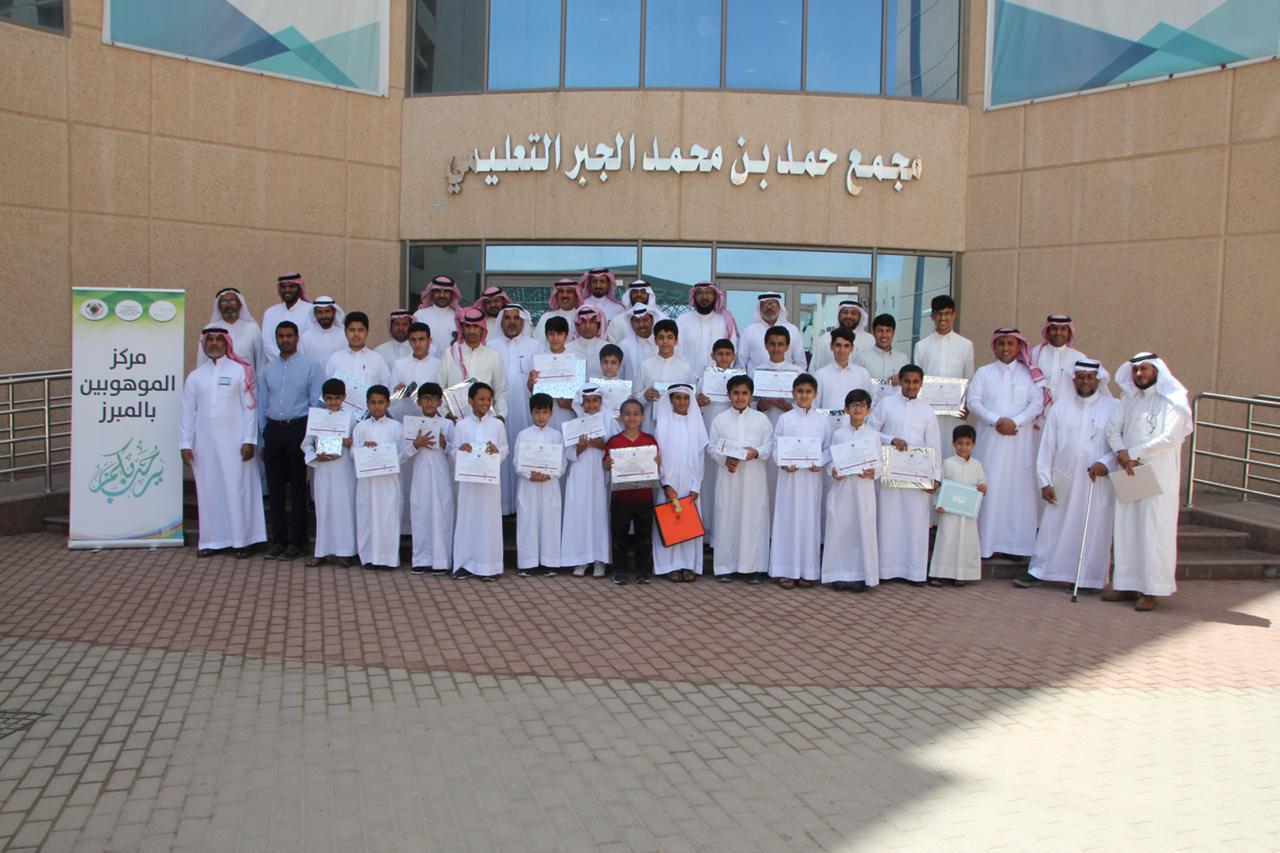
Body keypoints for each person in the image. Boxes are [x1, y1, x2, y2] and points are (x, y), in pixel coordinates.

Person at [1018, 360, 1118, 591]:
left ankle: (1088, 579)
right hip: (1063, 478)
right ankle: (1040, 571)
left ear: (1098, 379)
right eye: (1080, 377)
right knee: (1053, 525)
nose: (1084, 381)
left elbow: (1118, 446)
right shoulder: (1060, 408)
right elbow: (1046, 448)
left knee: (1093, 528)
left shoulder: (1113, 407)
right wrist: (1044, 481)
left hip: (1096, 481)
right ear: (1074, 379)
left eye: (1089, 377)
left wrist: (1105, 463)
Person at [1103, 353, 1192, 612]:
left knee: (1152, 530)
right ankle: (1127, 584)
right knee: (1127, 528)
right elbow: (1113, 429)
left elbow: (1170, 438)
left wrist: (1132, 453)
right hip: (1131, 472)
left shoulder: (1172, 400)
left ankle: (1150, 590)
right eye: (1136, 370)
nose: (1139, 374)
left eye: (1144, 369)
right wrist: (1122, 453)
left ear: (1157, 371)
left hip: (1158, 476)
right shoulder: (1128, 399)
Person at [180, 327, 267, 558]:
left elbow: (250, 409)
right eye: (210, 339)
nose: (215, 343)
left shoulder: (240, 371)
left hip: (236, 444)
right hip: (205, 445)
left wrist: (249, 440)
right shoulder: (195, 376)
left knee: (237, 489)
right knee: (208, 491)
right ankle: (211, 540)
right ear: (204, 343)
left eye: (219, 339)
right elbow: (188, 412)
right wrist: (185, 444)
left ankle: (242, 541)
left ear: (227, 342)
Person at [969, 328, 1043, 559]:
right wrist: (996, 420)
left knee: (1017, 491)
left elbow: (1037, 403)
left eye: (1010, 343)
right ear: (995, 346)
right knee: (989, 488)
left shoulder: (1028, 374)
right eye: (1001, 344)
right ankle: (986, 545)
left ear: (1018, 346)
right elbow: (973, 402)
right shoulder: (984, 372)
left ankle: (1016, 547)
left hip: (1019, 444)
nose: (1006, 348)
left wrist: (1016, 422)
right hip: (990, 442)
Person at [868, 364, 943, 585]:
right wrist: (891, 439)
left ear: (921, 384)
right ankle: (886, 569)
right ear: (900, 381)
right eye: (907, 381)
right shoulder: (886, 404)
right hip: (891, 474)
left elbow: (935, 445)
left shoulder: (927, 410)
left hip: (918, 477)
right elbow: (871, 430)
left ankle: (915, 572)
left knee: (916, 523)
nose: (911, 386)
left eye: (915, 382)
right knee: (889, 520)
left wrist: (935, 476)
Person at [257, 320, 323, 560]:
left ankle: (297, 542)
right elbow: (262, 404)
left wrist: (311, 436)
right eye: (281, 336)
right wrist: (264, 436)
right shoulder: (268, 369)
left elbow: (316, 402)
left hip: (299, 429)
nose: (285, 340)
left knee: (297, 489)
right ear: (276, 339)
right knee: (274, 490)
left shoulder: (310, 367)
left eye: (289, 336)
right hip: (274, 430)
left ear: (297, 338)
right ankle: (278, 541)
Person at [707, 374, 773, 584]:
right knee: (728, 518)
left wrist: (756, 452)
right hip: (729, 478)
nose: (740, 397)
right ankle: (726, 567)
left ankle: (754, 567)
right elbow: (712, 447)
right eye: (735, 393)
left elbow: (769, 446)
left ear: (751, 395)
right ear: (729, 395)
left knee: (754, 520)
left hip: (754, 479)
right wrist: (724, 459)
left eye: (744, 393)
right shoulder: (720, 420)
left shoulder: (762, 420)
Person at [769, 373, 829, 589]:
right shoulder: (785, 419)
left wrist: (819, 462)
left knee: (808, 522)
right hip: (790, 479)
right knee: (788, 521)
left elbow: (827, 449)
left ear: (815, 394)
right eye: (800, 391)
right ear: (793, 393)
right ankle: (786, 570)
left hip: (811, 479)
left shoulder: (822, 420)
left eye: (808, 392)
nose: (804, 395)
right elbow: (776, 446)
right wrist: (783, 463)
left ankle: (807, 571)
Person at [821, 389, 881, 591]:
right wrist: (834, 471)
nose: (858, 409)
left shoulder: (873, 435)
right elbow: (830, 460)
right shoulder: (838, 434)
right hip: (842, 489)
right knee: (841, 530)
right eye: (854, 405)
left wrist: (873, 471)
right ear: (846, 409)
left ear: (868, 410)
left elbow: (880, 464)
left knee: (862, 530)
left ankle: (861, 575)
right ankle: (839, 574)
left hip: (863, 490)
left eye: (862, 405)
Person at [450, 382, 508, 580]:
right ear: (470, 401)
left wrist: (496, 451)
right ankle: (464, 563)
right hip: (468, 484)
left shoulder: (498, 425)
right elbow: (452, 450)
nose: (485, 402)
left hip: (489, 483)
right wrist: (461, 450)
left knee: (488, 521)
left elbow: (504, 449)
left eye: (488, 399)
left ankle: (488, 567)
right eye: (481, 398)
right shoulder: (461, 425)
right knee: (467, 520)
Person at [652, 383, 707, 583]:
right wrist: (665, 483)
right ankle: (669, 566)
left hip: (690, 484)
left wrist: (696, 485)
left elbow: (700, 458)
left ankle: (689, 565)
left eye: (685, 398)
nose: (682, 402)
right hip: (669, 485)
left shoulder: (696, 424)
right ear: (670, 400)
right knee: (669, 522)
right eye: (677, 398)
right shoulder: (663, 424)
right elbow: (657, 457)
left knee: (688, 523)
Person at [560, 385, 616, 577]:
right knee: (579, 515)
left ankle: (600, 560)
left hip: (599, 475)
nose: (591, 404)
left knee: (598, 515)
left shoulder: (609, 421)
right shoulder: (575, 422)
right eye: (587, 400)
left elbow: (616, 447)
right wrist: (580, 448)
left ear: (601, 402)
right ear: (581, 403)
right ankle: (581, 559)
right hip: (579, 474)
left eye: (595, 400)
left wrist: (603, 445)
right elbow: (567, 453)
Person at [490, 303, 540, 515]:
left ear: (523, 322)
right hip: (497, 410)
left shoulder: (535, 346)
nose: (511, 321)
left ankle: (523, 506)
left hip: (525, 409)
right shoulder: (491, 346)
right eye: (507, 317)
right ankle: (502, 506)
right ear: (501, 321)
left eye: (516, 318)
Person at [302, 378, 357, 569]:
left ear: (344, 398)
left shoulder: (351, 418)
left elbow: (358, 443)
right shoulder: (316, 417)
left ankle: (345, 552)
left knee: (344, 509)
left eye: (337, 398)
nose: (333, 402)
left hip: (344, 471)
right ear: (323, 398)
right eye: (329, 398)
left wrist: (350, 443)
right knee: (323, 509)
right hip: (323, 470)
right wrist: (316, 456)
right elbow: (306, 444)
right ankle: (321, 552)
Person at [401, 383, 454, 575]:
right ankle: (421, 559)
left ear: (440, 402)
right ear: (419, 401)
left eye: (433, 399)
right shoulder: (412, 425)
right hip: (420, 477)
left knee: (441, 515)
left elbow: (456, 454)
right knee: (421, 515)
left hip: (441, 478)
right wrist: (415, 444)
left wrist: (444, 444)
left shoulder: (447, 425)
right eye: (425, 399)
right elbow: (402, 456)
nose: (429, 403)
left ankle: (441, 560)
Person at [604, 399, 658, 586]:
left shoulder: (650, 441)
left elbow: (656, 463)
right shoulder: (614, 441)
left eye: (636, 414)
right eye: (627, 413)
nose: (631, 417)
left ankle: (643, 571)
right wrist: (607, 464)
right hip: (621, 497)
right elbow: (605, 464)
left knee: (644, 536)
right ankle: (620, 571)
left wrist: (656, 462)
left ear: (642, 417)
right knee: (620, 536)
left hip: (644, 497)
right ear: (621, 417)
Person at [913, 295, 974, 458]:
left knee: (952, 449)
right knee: (929, 448)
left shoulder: (965, 345)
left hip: (955, 412)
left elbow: (969, 377)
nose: (943, 318)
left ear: (953, 315)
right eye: (939, 314)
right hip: (927, 409)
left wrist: (966, 405)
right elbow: (917, 380)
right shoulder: (922, 346)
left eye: (947, 314)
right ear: (932, 316)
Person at [929, 425, 987, 586]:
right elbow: (939, 485)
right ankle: (938, 574)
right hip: (949, 511)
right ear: (954, 444)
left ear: (973, 444)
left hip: (967, 513)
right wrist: (938, 503)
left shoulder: (977, 465)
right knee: (947, 540)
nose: (963, 447)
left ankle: (961, 574)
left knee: (965, 542)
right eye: (960, 443)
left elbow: (982, 482)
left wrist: (983, 487)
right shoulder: (948, 463)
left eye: (967, 443)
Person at [351, 385, 402, 570]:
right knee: (367, 517)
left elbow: (403, 454)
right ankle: (369, 557)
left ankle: (388, 559)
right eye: (373, 402)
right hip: (367, 482)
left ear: (388, 403)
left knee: (388, 518)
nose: (377, 406)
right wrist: (363, 449)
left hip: (388, 482)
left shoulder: (397, 427)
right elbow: (352, 453)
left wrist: (389, 457)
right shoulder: (360, 427)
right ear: (367, 404)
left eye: (381, 402)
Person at [513, 393, 564, 577]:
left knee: (549, 522)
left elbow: (562, 463)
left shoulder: (556, 436)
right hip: (529, 486)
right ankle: (528, 563)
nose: (540, 416)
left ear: (551, 413)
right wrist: (529, 474)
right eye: (537, 412)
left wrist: (549, 475)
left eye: (544, 412)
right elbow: (517, 462)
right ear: (531, 412)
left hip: (549, 486)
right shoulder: (523, 435)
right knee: (528, 521)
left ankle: (550, 562)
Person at [753, 326, 804, 503]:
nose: (776, 348)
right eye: (772, 344)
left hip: (788, 432)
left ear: (787, 346)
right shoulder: (755, 372)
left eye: (780, 344)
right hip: (761, 431)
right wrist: (760, 404)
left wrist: (790, 408)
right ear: (766, 345)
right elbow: (746, 403)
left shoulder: (797, 373)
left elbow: (806, 406)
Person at [696, 338, 737, 542]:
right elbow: (696, 407)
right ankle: (706, 533)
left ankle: (723, 533)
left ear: (734, 357)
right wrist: (699, 402)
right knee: (708, 482)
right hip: (709, 429)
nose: (723, 358)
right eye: (719, 354)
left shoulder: (739, 379)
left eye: (727, 354)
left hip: (731, 433)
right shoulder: (704, 379)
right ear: (712, 356)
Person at [439, 306, 510, 419]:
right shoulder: (450, 353)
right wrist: (446, 413)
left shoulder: (492, 355)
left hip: (486, 420)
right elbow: (439, 388)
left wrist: (501, 415)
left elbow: (500, 391)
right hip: (455, 420)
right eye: (467, 326)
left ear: (482, 329)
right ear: (462, 328)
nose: (471, 331)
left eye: (476, 326)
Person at [634, 319, 696, 430]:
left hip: (678, 426)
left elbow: (692, 398)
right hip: (650, 425)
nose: (665, 342)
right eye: (661, 337)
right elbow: (634, 397)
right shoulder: (645, 365)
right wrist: (645, 396)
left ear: (676, 341)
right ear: (656, 341)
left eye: (670, 337)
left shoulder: (685, 368)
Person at [325, 311, 390, 406]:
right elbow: (327, 389)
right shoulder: (335, 359)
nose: (356, 334)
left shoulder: (377, 359)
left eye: (360, 330)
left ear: (367, 332)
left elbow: (386, 387)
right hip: (341, 416)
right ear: (345, 332)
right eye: (352, 330)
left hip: (370, 416)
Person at [528, 315, 578, 432]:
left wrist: (571, 404)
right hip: (544, 414)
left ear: (566, 335)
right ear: (546, 336)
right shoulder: (538, 358)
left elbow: (580, 391)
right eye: (551, 334)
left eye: (559, 334)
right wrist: (530, 382)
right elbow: (531, 389)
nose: (555, 338)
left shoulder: (575, 359)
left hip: (567, 412)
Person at [676, 281, 738, 376]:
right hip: (687, 379)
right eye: (699, 293)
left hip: (717, 379)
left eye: (708, 293)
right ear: (694, 296)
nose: (704, 297)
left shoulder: (725, 320)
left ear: (715, 296)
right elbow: (677, 350)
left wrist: (721, 374)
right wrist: (688, 374)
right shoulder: (682, 320)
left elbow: (732, 350)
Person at [1030, 314, 1087, 415]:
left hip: (1067, 414)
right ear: (1047, 331)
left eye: (1063, 329)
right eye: (1054, 328)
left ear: (1069, 332)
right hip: (1039, 415)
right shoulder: (1035, 354)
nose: (1058, 333)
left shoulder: (1079, 358)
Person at [199, 287, 263, 374]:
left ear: (240, 304)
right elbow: (202, 362)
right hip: (217, 385)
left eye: (233, 301)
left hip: (248, 384)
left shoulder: (253, 328)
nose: (228, 305)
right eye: (224, 301)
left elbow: (260, 362)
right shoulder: (209, 330)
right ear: (218, 305)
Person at [740, 293, 806, 374]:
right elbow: (741, 361)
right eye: (765, 304)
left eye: (773, 304)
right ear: (760, 308)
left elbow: (800, 362)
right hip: (756, 380)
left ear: (779, 307)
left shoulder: (792, 330)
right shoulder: (749, 331)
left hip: (787, 382)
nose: (769, 307)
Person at [814, 328, 874, 413]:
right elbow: (815, 405)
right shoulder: (820, 375)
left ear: (852, 348)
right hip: (826, 425)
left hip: (853, 425)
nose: (842, 350)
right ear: (831, 346)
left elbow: (868, 404)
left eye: (846, 346)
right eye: (838, 345)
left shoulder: (863, 374)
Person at [390, 323, 442, 418]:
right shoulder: (399, 364)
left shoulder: (439, 365)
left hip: (432, 420)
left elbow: (443, 396)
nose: (417, 344)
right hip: (404, 418)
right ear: (409, 342)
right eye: (413, 340)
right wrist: (397, 391)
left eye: (421, 339)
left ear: (429, 341)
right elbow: (392, 399)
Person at [856, 313, 910, 403]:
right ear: (873, 332)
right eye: (880, 331)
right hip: (870, 411)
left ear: (893, 333)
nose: (884, 335)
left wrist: (901, 380)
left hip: (895, 408)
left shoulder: (903, 359)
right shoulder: (862, 358)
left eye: (888, 331)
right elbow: (857, 387)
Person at [261, 272, 314, 362]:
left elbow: (311, 341)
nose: (287, 290)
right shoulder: (270, 313)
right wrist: (283, 358)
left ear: (299, 288)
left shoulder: (310, 310)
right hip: (277, 364)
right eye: (283, 287)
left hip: (303, 365)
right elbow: (267, 342)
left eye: (291, 286)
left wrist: (296, 360)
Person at [810, 300, 872, 372]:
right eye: (845, 312)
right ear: (839, 315)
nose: (849, 316)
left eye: (853, 313)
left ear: (860, 317)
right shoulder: (825, 339)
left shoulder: (870, 340)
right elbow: (814, 368)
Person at [412, 275, 463, 357]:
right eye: (437, 291)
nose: (442, 295)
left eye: (446, 291)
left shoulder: (459, 317)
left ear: (452, 294)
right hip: (426, 366)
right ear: (432, 293)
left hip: (452, 366)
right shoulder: (420, 315)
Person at [298, 296, 347, 366]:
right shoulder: (305, 338)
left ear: (334, 312)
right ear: (315, 313)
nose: (324, 316)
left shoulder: (344, 335)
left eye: (327, 311)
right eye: (320, 312)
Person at [618, 304, 657, 383]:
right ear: (631, 324)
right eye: (636, 321)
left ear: (652, 320)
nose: (641, 325)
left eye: (645, 320)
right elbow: (619, 375)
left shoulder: (661, 344)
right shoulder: (624, 346)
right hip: (632, 394)